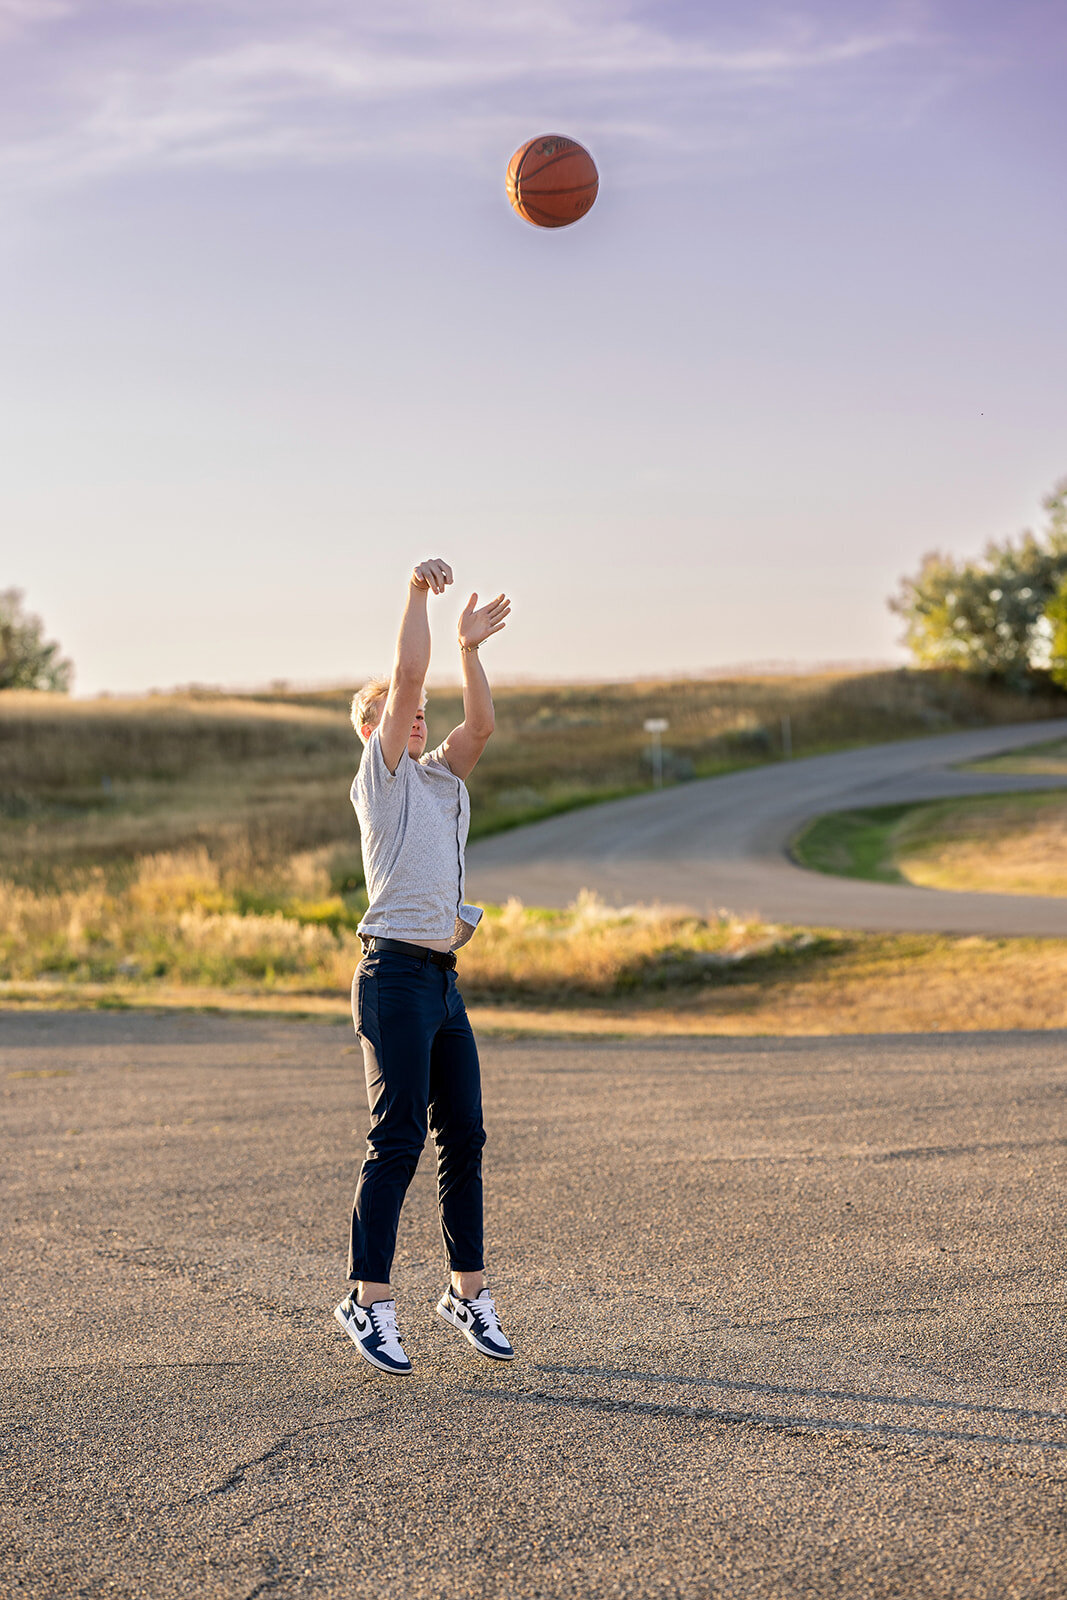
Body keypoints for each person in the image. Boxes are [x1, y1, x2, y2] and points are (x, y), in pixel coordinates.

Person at [334, 557, 514, 1375]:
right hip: (392, 979)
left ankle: (465, 1291)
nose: (412, 718)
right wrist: (416, 595)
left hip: (441, 982)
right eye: (396, 715)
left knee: (465, 1134)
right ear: (374, 730)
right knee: (397, 1136)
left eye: (416, 716)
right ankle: (367, 1301)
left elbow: (477, 729)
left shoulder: (441, 778)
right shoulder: (385, 779)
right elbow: (409, 673)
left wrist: (470, 652)